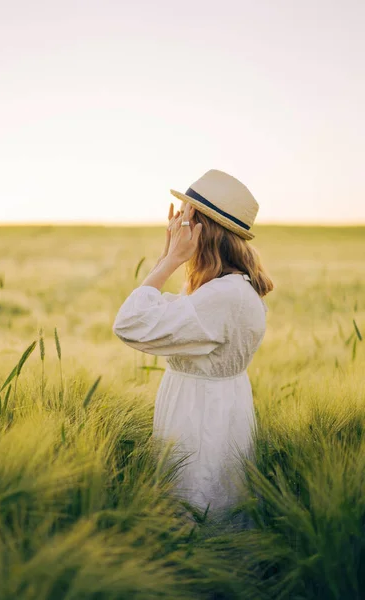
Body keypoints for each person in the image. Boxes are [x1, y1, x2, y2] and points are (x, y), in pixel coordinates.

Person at [112, 169, 274, 519]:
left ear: (204, 228)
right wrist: (166, 256)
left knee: (199, 506)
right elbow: (155, 311)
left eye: (187, 217)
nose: (178, 225)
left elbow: (129, 323)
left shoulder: (224, 296)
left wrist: (170, 260)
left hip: (202, 415)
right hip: (205, 404)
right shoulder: (221, 288)